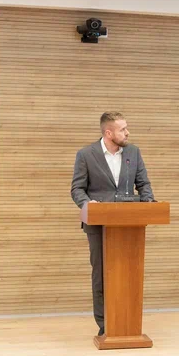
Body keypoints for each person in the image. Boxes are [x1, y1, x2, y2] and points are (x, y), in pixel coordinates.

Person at [70, 112, 156, 336]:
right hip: (98, 225)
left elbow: (143, 184)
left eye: (126, 128)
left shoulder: (133, 152)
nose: (127, 133)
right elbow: (77, 189)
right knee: (101, 274)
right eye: (122, 129)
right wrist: (88, 204)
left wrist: (148, 203)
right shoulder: (86, 155)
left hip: (130, 225)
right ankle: (105, 325)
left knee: (129, 274)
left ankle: (128, 323)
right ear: (108, 133)